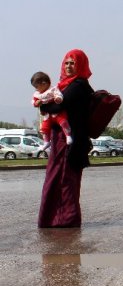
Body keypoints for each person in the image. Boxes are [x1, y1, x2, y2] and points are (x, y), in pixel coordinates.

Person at [38, 49, 94, 228]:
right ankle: (55, 218)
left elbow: (56, 108)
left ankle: (64, 220)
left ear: (81, 65)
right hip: (61, 139)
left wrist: (44, 105)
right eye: (67, 63)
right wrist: (47, 105)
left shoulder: (78, 85)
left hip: (69, 141)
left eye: (73, 63)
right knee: (57, 178)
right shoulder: (64, 85)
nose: (69, 66)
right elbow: (53, 105)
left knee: (64, 180)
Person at [30, 72, 73, 150]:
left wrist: (58, 99)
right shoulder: (37, 94)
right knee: (45, 128)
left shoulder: (53, 89)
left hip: (57, 113)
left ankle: (68, 135)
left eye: (37, 86)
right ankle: (46, 141)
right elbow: (33, 101)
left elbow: (59, 95)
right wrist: (36, 103)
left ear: (44, 83)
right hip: (47, 115)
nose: (36, 88)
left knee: (63, 122)